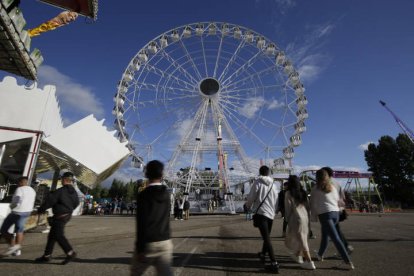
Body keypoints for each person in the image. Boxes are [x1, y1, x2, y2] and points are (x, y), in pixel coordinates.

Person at [131, 160, 172, 276]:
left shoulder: (143, 195)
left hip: (149, 243)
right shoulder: (166, 194)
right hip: (165, 241)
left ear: (146, 174)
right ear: (162, 175)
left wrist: (140, 248)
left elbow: (141, 222)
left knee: (136, 273)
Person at [310, 169, 354, 270]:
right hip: (335, 214)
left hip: (325, 215)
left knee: (335, 239)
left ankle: (347, 261)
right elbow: (338, 201)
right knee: (325, 236)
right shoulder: (332, 187)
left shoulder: (315, 189)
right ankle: (320, 254)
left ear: (317, 177)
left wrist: (313, 217)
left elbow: (313, 204)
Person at [35, 171, 80, 265]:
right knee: (52, 236)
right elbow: (77, 203)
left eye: (62, 179)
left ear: (65, 179)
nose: (61, 180)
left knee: (59, 235)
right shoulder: (74, 192)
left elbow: (50, 201)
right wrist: (69, 209)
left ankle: (70, 253)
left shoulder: (61, 191)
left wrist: (41, 209)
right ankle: (46, 256)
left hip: (60, 216)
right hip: (67, 215)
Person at [245, 165, 280, 273]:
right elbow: (276, 199)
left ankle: (274, 264)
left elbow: (251, 197)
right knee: (267, 236)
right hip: (270, 214)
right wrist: (275, 210)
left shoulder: (258, 182)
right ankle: (263, 255)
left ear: (260, 172)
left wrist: (247, 206)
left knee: (267, 238)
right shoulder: (274, 185)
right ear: (269, 173)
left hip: (261, 213)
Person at [284, 175, 315, 270]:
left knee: (301, 240)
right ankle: (298, 255)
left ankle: (309, 261)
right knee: (302, 238)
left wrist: (287, 219)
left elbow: (288, 208)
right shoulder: (303, 192)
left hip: (295, 218)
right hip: (305, 217)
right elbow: (308, 206)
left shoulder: (288, 193)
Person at [0, 176, 36, 257]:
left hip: (17, 212)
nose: (17, 184)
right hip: (27, 213)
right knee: (19, 230)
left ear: (20, 182)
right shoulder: (32, 190)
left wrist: (11, 207)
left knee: (4, 230)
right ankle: (17, 250)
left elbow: (16, 201)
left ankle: (13, 246)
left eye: (17, 182)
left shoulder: (19, 189)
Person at [321, 167, 354, 255]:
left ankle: (346, 248)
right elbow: (342, 197)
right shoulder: (337, 182)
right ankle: (322, 252)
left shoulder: (327, 183)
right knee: (333, 231)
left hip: (330, 210)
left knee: (335, 232)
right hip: (338, 210)